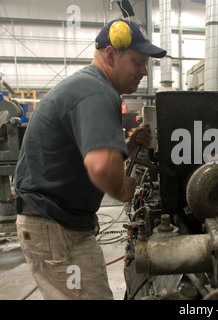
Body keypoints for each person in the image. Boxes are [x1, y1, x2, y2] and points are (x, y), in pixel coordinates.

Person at [14, 19, 166, 300]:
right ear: (111, 55)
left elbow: (82, 155)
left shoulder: (87, 86)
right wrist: (123, 189)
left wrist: (130, 146)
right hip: (56, 228)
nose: (144, 71)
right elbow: (99, 167)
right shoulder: (98, 92)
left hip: (54, 224)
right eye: (137, 62)